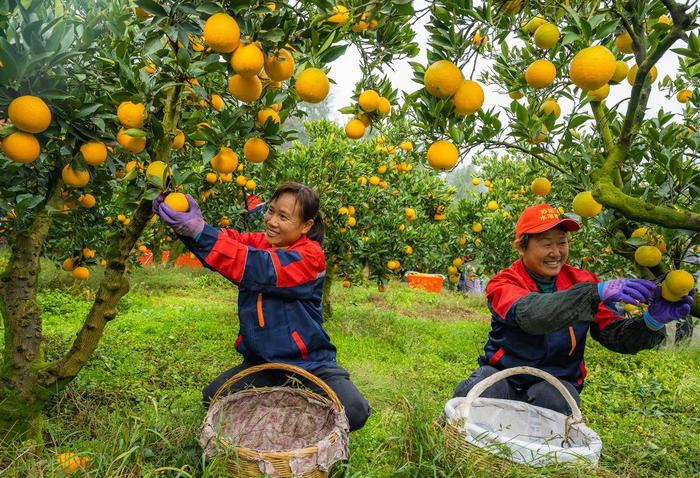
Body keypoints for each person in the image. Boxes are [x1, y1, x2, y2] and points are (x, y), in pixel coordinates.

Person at [152, 182, 371, 431]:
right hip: (263, 363)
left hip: (308, 364)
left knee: (353, 410)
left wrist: (201, 232)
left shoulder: (310, 257)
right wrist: (188, 228)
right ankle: (276, 416)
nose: (272, 221)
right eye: (271, 211)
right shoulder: (261, 244)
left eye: (283, 217)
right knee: (213, 398)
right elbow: (228, 245)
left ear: (306, 226)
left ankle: (295, 423)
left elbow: (261, 268)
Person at [452, 203, 694, 414]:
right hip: (503, 375)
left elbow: (615, 335)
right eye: (547, 244)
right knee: (473, 395)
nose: (556, 253)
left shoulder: (583, 280)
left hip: (556, 381)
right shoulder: (504, 283)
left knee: (552, 401)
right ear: (521, 247)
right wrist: (593, 294)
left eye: (562, 243)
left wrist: (651, 321)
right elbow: (531, 315)